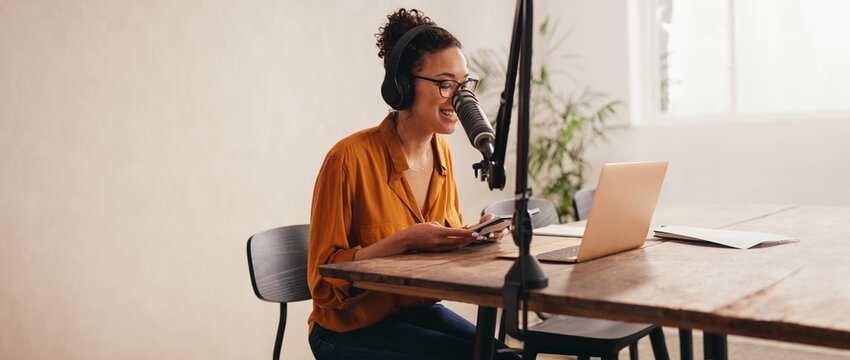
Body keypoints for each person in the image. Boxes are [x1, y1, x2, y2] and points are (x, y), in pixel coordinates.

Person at [307, 8, 518, 360]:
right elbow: (323, 284)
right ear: (401, 88)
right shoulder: (346, 160)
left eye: (464, 85)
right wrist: (402, 241)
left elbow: (434, 249)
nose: (460, 98)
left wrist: (470, 237)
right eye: (445, 84)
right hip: (346, 331)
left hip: (415, 313)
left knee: (506, 357)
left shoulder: (443, 153)